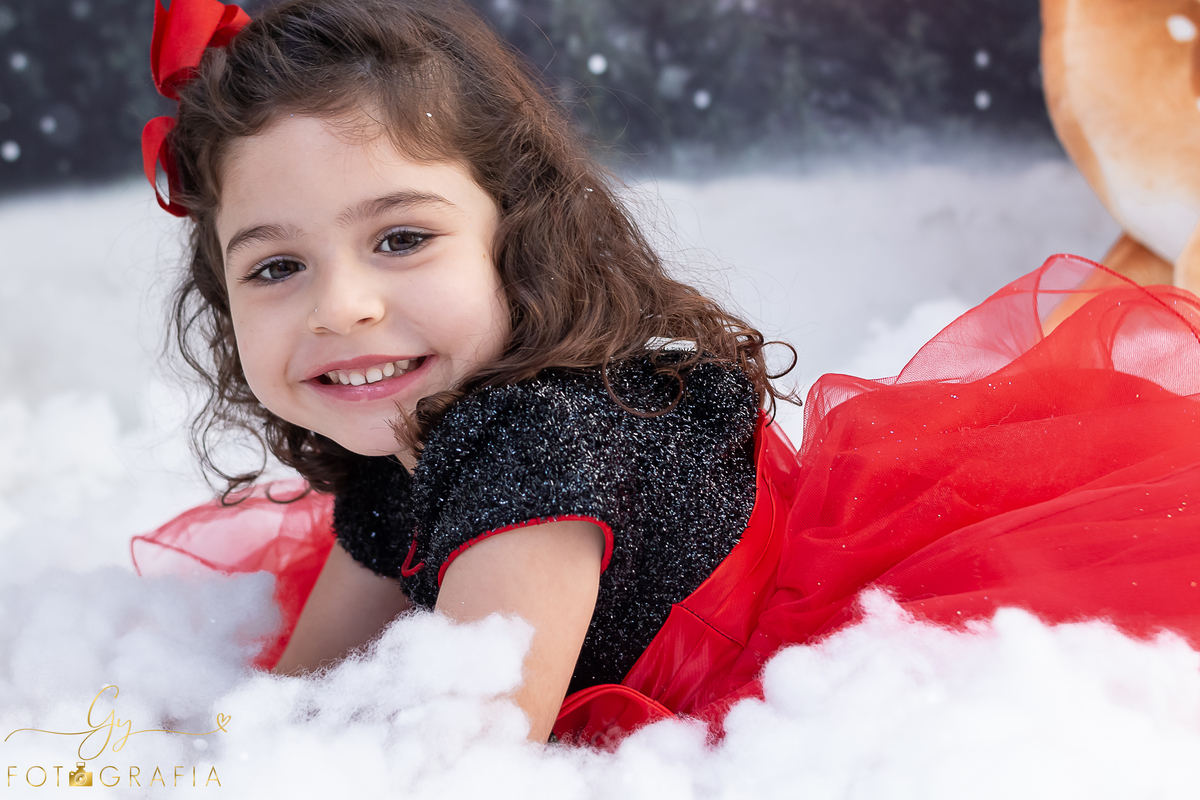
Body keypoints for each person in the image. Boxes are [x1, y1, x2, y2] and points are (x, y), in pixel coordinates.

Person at [132, 0, 1200, 749]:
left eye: (402, 239)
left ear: (516, 237)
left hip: (801, 637)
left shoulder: (538, 448)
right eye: (276, 266)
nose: (342, 307)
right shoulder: (399, 442)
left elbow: (452, 760)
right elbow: (290, 693)